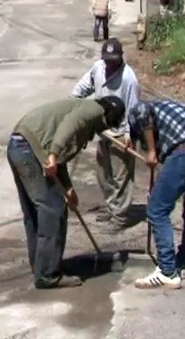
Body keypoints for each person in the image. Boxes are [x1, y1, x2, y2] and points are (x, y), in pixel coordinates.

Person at [7, 96, 126, 289]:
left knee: (36, 210)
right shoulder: (92, 110)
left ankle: (40, 265)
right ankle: (47, 275)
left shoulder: (83, 110)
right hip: (29, 150)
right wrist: (53, 155)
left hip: (20, 146)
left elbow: (58, 153)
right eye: (110, 123)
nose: (106, 129)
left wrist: (68, 188)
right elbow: (68, 127)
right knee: (53, 209)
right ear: (108, 115)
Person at [127, 100, 185, 289]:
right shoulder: (168, 110)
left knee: (156, 209)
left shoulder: (138, 111)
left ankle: (167, 271)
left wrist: (151, 151)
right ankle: (182, 263)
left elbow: (142, 113)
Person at [70, 38, 141, 233]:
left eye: (113, 60)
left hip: (121, 133)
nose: (109, 64)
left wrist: (130, 135)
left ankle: (120, 217)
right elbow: (83, 86)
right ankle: (112, 207)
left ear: (120, 58)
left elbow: (134, 110)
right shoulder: (98, 68)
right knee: (103, 174)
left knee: (121, 177)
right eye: (107, 60)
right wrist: (74, 101)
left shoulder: (129, 79)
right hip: (103, 129)